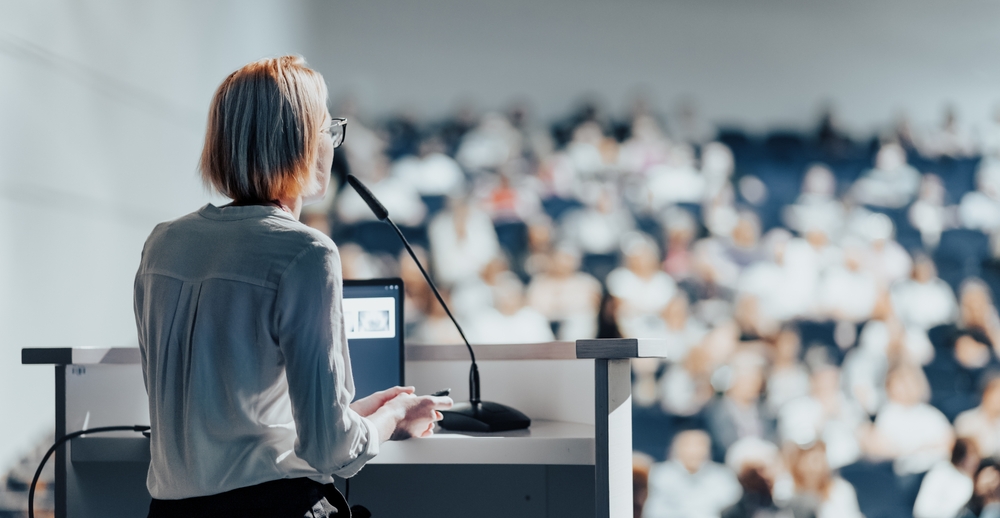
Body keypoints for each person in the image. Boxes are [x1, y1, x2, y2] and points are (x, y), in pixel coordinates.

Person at [134, 56, 453, 517]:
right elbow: (332, 452)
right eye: (329, 129)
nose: (333, 144)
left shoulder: (162, 245)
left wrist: (355, 413)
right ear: (300, 142)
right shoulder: (306, 254)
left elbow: (235, 427)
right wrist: (393, 417)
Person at [642, 430, 742, 518]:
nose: (694, 450)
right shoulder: (659, 475)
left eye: (699, 445)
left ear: (709, 450)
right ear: (675, 448)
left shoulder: (723, 476)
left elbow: (731, 506)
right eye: (687, 445)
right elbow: (654, 512)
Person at [913, 438, 979, 518]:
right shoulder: (964, 483)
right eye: (973, 456)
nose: (976, 462)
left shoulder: (941, 467)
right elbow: (923, 508)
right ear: (964, 457)